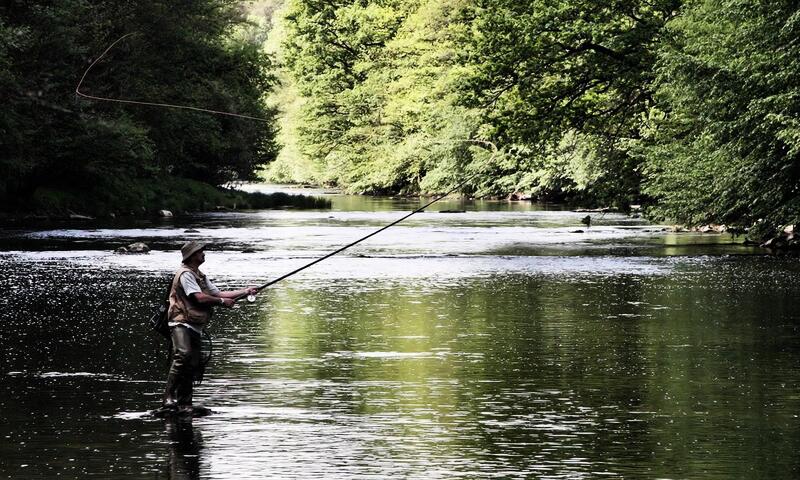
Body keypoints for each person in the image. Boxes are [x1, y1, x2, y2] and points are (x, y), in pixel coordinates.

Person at [161, 241, 257, 414]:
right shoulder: (186, 275)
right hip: (180, 322)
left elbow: (218, 294)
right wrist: (222, 302)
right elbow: (199, 298)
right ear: (191, 256)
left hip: (195, 325)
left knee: (191, 363)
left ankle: (185, 403)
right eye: (200, 252)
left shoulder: (200, 275)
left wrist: (246, 291)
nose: (203, 254)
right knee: (183, 355)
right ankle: (168, 397)